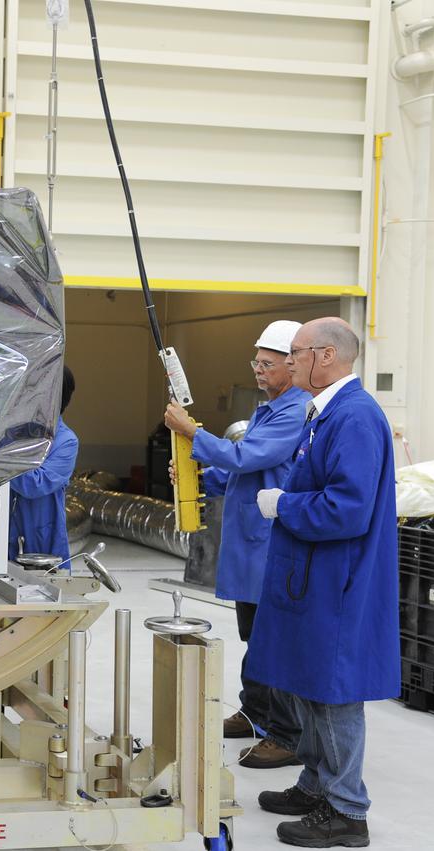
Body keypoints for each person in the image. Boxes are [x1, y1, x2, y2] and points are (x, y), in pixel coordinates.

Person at [247, 317, 399, 848]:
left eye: (296, 353)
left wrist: (284, 504)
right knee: (310, 684)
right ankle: (316, 785)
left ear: (327, 356)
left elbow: (349, 508)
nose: (288, 363)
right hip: (313, 579)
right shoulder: (325, 414)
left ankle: (346, 810)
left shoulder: (354, 418)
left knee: (334, 694)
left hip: (338, 583)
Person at [164, 320, 309, 770]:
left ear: (293, 363)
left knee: (275, 640)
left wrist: (192, 433)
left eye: (267, 364)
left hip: (272, 544)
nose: (259, 371)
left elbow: (250, 456)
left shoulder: (295, 410)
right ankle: (255, 713)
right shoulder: (270, 410)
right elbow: (242, 471)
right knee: (254, 635)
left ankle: (285, 734)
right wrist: (203, 476)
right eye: (256, 362)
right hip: (250, 542)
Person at [7, 366, 79, 562]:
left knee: (41, 589)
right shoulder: (12, 432)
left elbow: (34, 485)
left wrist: (0, 460)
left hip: (40, 541)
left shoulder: (66, 441)